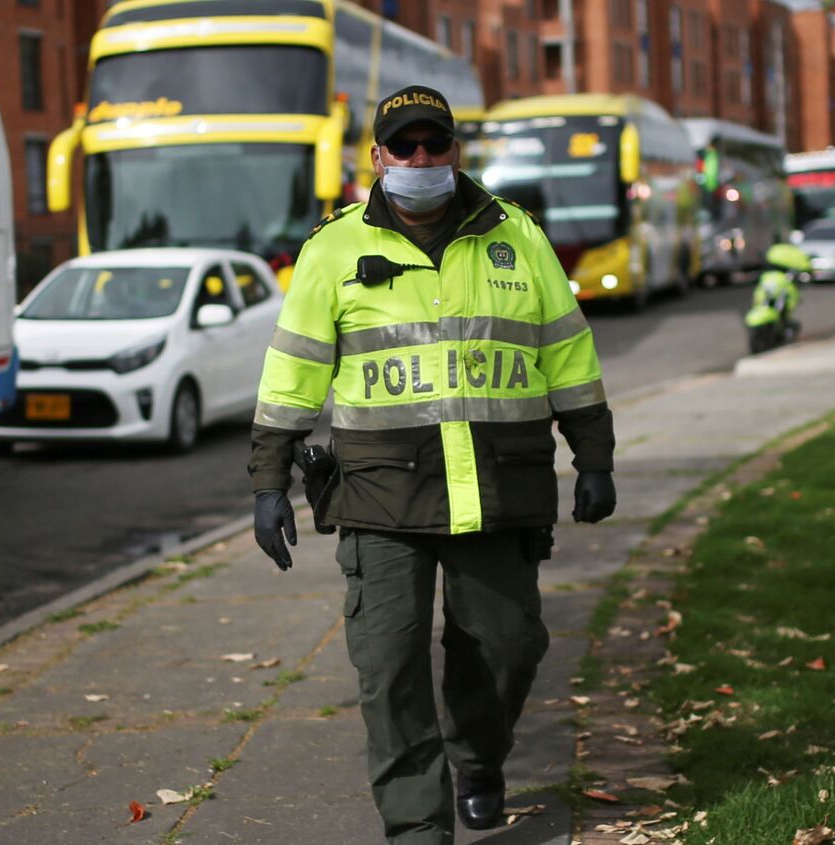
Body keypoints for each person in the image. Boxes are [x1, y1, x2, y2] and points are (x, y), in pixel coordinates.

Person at [247, 86, 618, 842]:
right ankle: (418, 823)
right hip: (381, 494)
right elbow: (293, 370)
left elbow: (569, 356)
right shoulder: (334, 250)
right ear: (377, 157)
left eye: (434, 144)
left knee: (509, 648)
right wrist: (268, 480)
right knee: (389, 666)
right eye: (404, 146)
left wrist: (594, 457)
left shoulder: (519, 238)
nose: (421, 159)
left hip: (497, 485)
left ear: (456, 151)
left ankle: (478, 757)